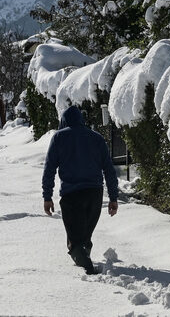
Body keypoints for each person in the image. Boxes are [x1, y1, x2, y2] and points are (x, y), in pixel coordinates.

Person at [42, 105, 119, 274]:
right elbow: (109, 170)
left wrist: (47, 196)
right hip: (94, 195)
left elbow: (49, 169)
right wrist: (113, 198)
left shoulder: (59, 138)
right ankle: (86, 259)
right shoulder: (96, 138)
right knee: (84, 236)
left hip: (71, 196)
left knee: (75, 241)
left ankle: (87, 269)